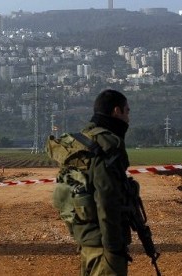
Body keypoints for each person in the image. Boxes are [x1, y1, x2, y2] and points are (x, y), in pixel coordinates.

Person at [76, 89, 132, 275]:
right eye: (127, 111)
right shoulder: (108, 144)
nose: (128, 118)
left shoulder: (83, 139)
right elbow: (106, 199)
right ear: (117, 111)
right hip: (104, 245)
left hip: (86, 238)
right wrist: (114, 248)